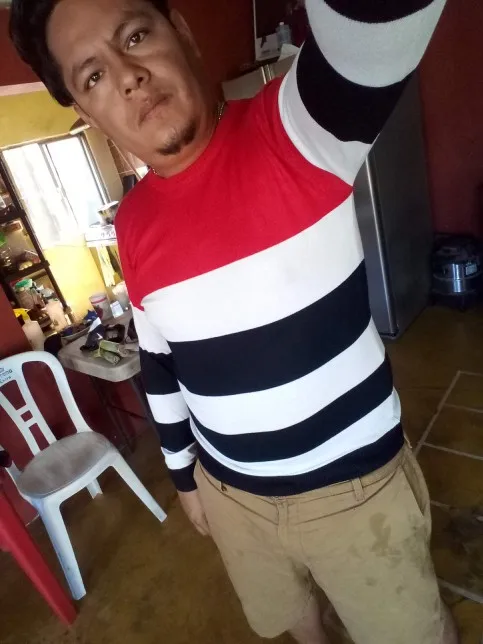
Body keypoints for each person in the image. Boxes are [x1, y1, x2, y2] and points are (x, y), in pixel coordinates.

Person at [10, 1, 458, 642]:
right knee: (293, 621)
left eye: (134, 36)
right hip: (232, 497)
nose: (129, 77)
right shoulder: (132, 224)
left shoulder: (295, 129)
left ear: (181, 32)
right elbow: (160, 362)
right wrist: (185, 481)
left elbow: (378, 22)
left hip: (355, 495)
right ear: (86, 111)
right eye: (94, 76)